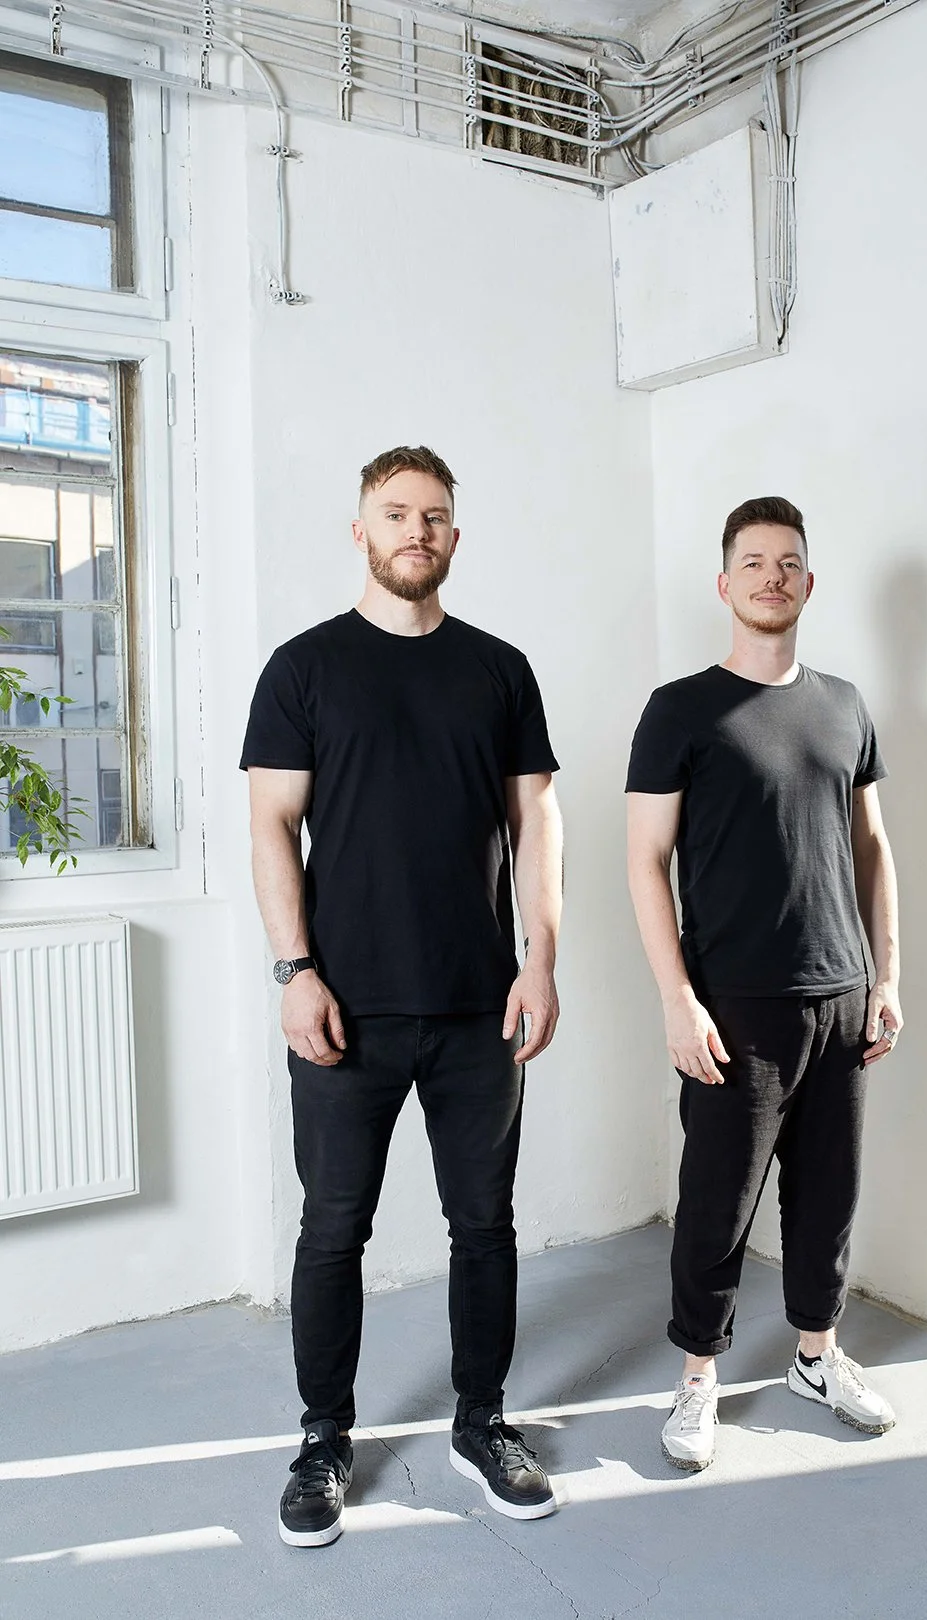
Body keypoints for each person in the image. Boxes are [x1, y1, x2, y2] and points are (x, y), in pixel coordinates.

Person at [241, 446, 563, 1544]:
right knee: (333, 1230)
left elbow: (537, 823)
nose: (415, 531)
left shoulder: (500, 670)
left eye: (433, 516)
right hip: (346, 1011)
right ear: (361, 531)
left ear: (455, 540)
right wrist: (295, 973)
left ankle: (484, 1422)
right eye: (395, 513)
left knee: (486, 1227)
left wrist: (542, 957)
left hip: (481, 1007)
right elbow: (272, 825)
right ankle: (324, 1438)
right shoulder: (304, 668)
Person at [625, 496, 901, 1472]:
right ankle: (698, 1376)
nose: (772, 576)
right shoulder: (681, 710)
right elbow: (643, 860)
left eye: (789, 562)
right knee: (718, 1201)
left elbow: (872, 847)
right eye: (754, 562)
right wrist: (675, 997)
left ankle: (816, 1360)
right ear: (725, 583)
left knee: (828, 1197)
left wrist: (886, 975)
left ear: (809, 583)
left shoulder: (846, 705)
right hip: (734, 1002)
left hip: (841, 994)